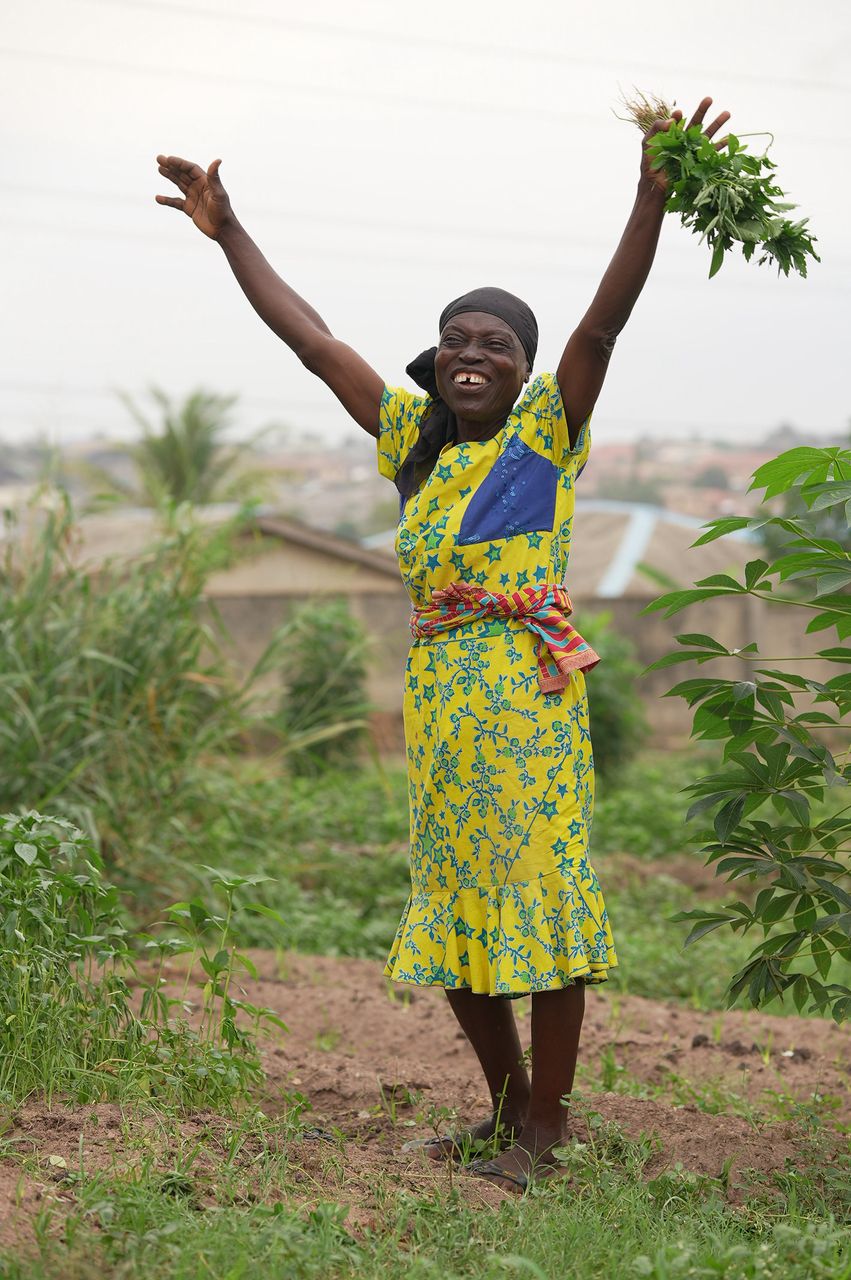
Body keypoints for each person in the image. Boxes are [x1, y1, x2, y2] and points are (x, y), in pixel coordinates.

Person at [155, 96, 730, 1193]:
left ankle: (548, 1130)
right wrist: (230, 231)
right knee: (457, 906)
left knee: (541, 907)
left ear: (521, 372)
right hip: (442, 709)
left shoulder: (541, 437)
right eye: (456, 342)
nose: (472, 355)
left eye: (496, 346)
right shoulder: (409, 444)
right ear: (436, 362)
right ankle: (509, 1112)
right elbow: (310, 337)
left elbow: (599, 327)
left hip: (524, 700)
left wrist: (649, 194)